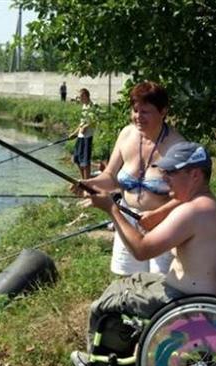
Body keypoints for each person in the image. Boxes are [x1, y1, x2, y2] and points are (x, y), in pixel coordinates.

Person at [71, 141, 216, 366]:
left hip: (184, 301)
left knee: (106, 303)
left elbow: (141, 249)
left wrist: (112, 209)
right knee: (131, 282)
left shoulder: (191, 212)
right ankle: (117, 361)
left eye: (172, 172)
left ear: (195, 175)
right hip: (203, 296)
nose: (165, 177)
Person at [73, 81, 185, 276]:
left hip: (163, 225)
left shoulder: (178, 147)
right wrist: (88, 183)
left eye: (145, 112)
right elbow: (110, 177)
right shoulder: (126, 134)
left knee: (160, 285)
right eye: (135, 110)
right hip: (126, 219)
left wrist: (158, 214)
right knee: (127, 281)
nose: (138, 117)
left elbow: (188, 196)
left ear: (163, 111)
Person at [69, 88, 97, 179]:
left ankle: (87, 180)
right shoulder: (84, 106)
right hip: (80, 137)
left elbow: (94, 120)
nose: (78, 99)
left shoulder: (92, 106)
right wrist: (74, 133)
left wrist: (86, 127)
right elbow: (81, 124)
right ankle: (82, 179)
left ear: (85, 96)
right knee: (77, 159)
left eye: (80, 97)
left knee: (85, 161)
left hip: (87, 137)